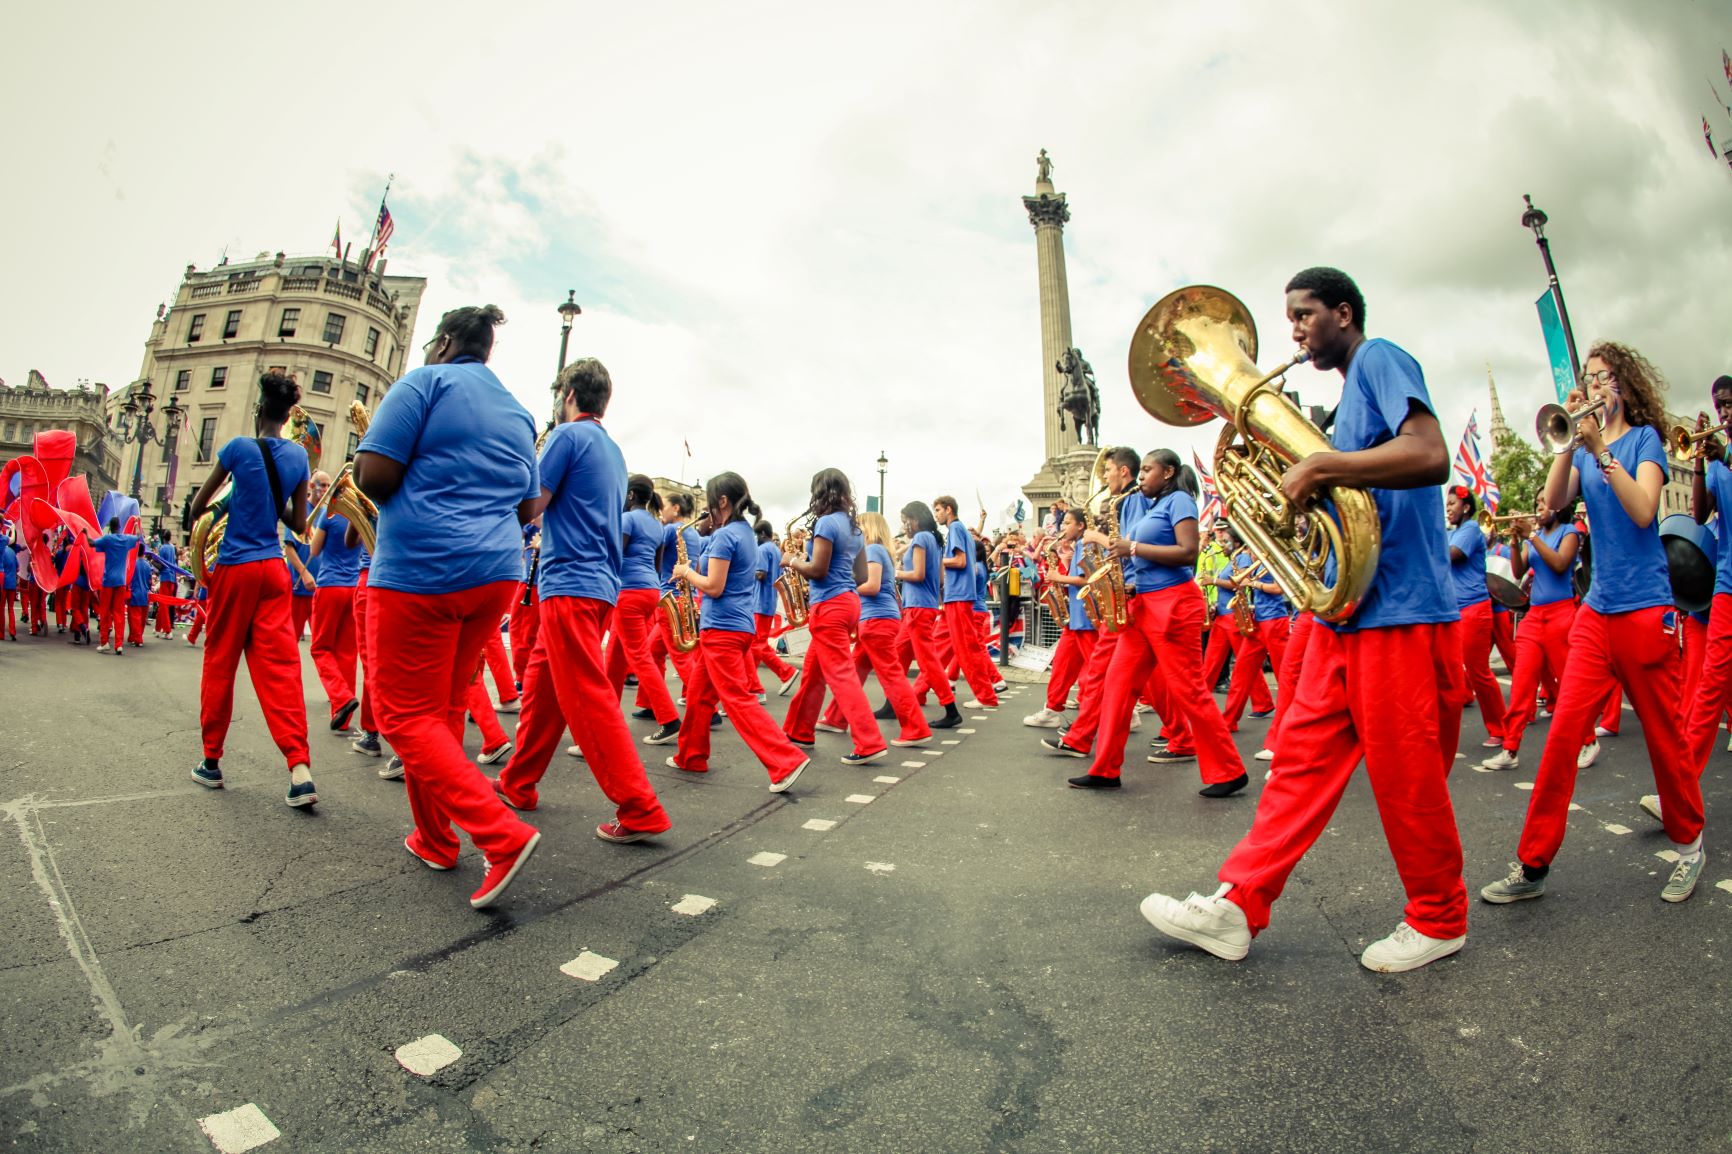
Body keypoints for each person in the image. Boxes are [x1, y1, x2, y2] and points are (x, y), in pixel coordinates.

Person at [1141, 266, 1470, 973]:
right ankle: (1238, 905)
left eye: (1304, 315)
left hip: (1400, 611)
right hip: (1346, 612)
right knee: (1296, 765)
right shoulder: (1349, 398)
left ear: (1343, 314)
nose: (1292, 330)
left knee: (1407, 777)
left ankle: (1440, 919)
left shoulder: (1380, 359)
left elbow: (1430, 454)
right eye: (1288, 317)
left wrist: (1320, 469)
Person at [1480, 342, 1707, 905]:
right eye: (1589, 378)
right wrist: (1568, 443)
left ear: (1624, 387)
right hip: (1597, 611)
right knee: (1561, 736)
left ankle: (1690, 845)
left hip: (1647, 607)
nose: (1595, 386)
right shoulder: (1581, 449)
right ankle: (1532, 864)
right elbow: (1553, 502)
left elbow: (1643, 510)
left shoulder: (1644, 441)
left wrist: (1602, 448)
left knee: (1665, 736)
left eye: (1604, 379)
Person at [354, 305, 542, 908]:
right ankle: (435, 840)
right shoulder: (517, 411)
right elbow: (527, 507)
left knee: (402, 714)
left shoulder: (422, 383)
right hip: (495, 574)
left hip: (421, 569)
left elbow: (374, 474)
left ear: (442, 342)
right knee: (440, 712)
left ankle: (499, 834)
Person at [495, 360, 672, 842]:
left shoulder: (567, 437)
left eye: (558, 392)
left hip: (569, 580)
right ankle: (518, 782)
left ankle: (640, 808)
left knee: (587, 698)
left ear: (569, 393)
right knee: (544, 687)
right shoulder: (611, 448)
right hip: (593, 583)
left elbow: (530, 507)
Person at [1069, 449, 1249, 796]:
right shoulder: (1149, 506)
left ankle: (1229, 771)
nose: (1140, 476)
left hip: (1174, 604)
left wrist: (1132, 548)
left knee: (1191, 691)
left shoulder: (1180, 500)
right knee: (1118, 688)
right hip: (1144, 605)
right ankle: (1105, 769)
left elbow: (1188, 552)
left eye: (1147, 470)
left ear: (1167, 472)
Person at [185, 370, 316, 807]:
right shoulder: (299, 457)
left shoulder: (239, 448)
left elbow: (196, 507)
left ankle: (211, 761)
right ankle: (300, 769)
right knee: (280, 668)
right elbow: (297, 524)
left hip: (236, 568)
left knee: (220, 662)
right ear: (287, 414)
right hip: (274, 570)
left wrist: (233, 497)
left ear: (259, 409)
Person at [666, 472, 811, 790]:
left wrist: (686, 571)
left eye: (709, 502)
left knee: (736, 700)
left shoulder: (724, 535)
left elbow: (714, 587)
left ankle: (786, 760)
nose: (706, 509)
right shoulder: (746, 532)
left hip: (722, 626)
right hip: (737, 625)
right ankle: (690, 755)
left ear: (722, 501)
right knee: (699, 697)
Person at [1039, 447, 1149, 761]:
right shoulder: (1124, 503)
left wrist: (1097, 539)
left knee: (1118, 673)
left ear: (1123, 471)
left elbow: (1136, 546)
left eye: (1107, 471)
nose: (1103, 477)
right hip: (1128, 597)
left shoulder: (1134, 501)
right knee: (1110, 673)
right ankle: (1083, 739)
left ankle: (1182, 736)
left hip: (1136, 596)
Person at [782, 469, 891, 764]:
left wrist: (792, 561)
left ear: (821, 492)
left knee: (841, 677)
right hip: (848, 602)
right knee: (813, 673)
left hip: (829, 605)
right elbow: (861, 575)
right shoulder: (854, 528)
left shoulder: (826, 523)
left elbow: (817, 569)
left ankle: (869, 742)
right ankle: (798, 731)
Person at [815, 511, 932, 746]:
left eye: (859, 526)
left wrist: (844, 588)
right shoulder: (879, 551)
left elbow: (873, 585)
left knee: (891, 676)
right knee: (855, 671)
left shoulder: (874, 550)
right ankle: (836, 718)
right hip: (877, 618)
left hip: (876, 619)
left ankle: (916, 728)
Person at [1478, 500, 1579, 770]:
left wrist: (1531, 536)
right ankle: (1510, 749)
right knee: (1522, 686)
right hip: (1534, 615)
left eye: (1546, 503)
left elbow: (1559, 564)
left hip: (1561, 614)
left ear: (1560, 507)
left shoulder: (1569, 532)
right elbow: (1518, 571)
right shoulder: (1534, 538)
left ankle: (1587, 740)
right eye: (1537, 503)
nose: (1539, 507)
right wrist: (1514, 543)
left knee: (1569, 683)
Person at [1674, 375, 1732, 818]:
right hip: (1725, 583)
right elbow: (1699, 513)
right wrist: (1699, 462)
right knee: (1710, 683)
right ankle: (1681, 786)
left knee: (1713, 683)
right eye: (1719, 406)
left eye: (1729, 405)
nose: (1723, 414)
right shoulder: (1716, 460)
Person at [604, 473, 683, 744]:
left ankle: (669, 718)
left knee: (639, 657)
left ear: (630, 495)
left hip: (629, 591)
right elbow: (657, 564)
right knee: (614, 660)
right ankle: (605, 720)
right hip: (650, 590)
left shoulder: (627, 519)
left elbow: (614, 556)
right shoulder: (657, 524)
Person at [1446, 486, 1508, 748]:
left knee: (1479, 671)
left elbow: (1453, 556)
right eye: (1446, 504)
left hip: (1474, 608)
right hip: (1457, 610)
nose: (1448, 508)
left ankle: (1502, 728)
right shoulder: (1453, 532)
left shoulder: (1470, 529)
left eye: (1452, 503)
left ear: (1466, 507)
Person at [896, 501, 964, 730]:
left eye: (907, 520)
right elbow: (941, 578)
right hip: (921, 606)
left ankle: (951, 709)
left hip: (917, 607)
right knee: (897, 655)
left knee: (928, 662)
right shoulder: (933, 540)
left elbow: (917, 574)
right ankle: (893, 703)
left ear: (917, 518)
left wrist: (895, 572)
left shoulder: (920, 539)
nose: (905, 525)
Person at [1024, 509, 1093, 726]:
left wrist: (1057, 577)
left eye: (1068, 523)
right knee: (1062, 666)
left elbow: (1088, 579)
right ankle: (1052, 709)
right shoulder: (1077, 546)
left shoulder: (1086, 544)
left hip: (1088, 619)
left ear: (1081, 525)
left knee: (1098, 672)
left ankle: (1125, 712)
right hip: (1076, 619)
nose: (1063, 529)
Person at [934, 496, 1000, 708]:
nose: (936, 514)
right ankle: (986, 693)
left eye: (938, 510)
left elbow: (960, 561)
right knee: (965, 649)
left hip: (959, 596)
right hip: (959, 596)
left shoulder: (955, 529)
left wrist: (935, 561)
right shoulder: (960, 529)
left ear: (949, 509)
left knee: (967, 650)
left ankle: (986, 695)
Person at [309, 498, 364, 732]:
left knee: (320, 648)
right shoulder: (361, 511)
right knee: (347, 652)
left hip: (330, 584)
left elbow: (314, 549)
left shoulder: (328, 513)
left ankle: (340, 699)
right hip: (353, 586)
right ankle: (342, 716)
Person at [750, 520, 801, 695]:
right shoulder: (775, 549)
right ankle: (778, 675)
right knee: (758, 645)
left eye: (756, 535)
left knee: (755, 646)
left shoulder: (763, 549)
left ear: (762, 534)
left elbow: (760, 574)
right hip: (768, 601)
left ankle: (758, 686)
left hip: (760, 602)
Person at [87, 517, 139, 655]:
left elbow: (91, 544)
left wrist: (85, 533)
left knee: (105, 612)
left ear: (110, 526)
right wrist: (136, 524)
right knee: (119, 613)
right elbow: (139, 537)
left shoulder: (108, 539)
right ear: (120, 526)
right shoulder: (127, 539)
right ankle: (119, 644)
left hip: (108, 580)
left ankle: (104, 642)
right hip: (120, 581)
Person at [153, 530, 180, 636]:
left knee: (163, 604)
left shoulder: (163, 548)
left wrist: (153, 560)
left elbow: (161, 563)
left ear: (163, 537)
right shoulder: (172, 548)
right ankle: (158, 628)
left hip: (165, 577)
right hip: (172, 578)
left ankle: (168, 630)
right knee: (165, 603)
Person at [126, 536, 151, 647]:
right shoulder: (147, 565)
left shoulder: (133, 564)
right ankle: (134, 637)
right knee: (141, 618)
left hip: (135, 593)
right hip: (145, 593)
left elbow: (129, 579)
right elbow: (150, 580)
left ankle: (137, 638)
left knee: (134, 618)